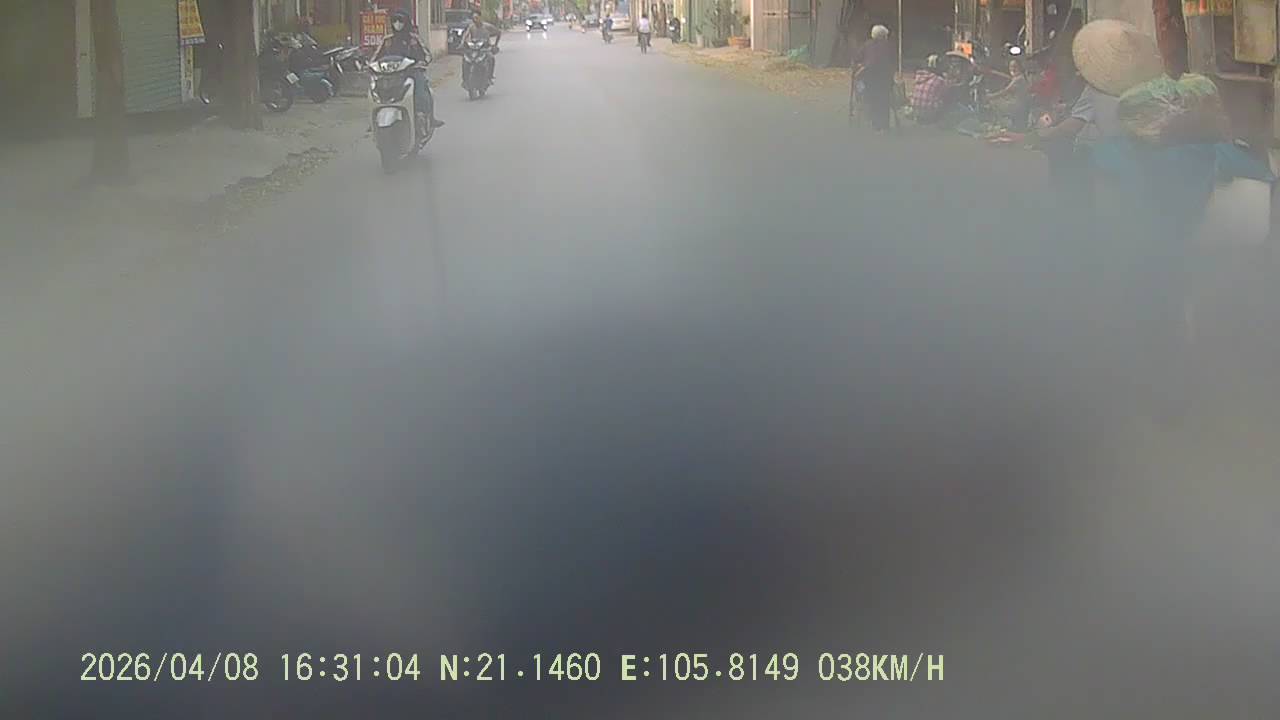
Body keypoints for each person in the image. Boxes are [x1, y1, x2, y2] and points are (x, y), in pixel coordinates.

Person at [374, 10, 445, 129]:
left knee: (422, 87)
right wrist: (371, 67)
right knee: (375, 90)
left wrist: (422, 63)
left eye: (400, 21)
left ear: (406, 22)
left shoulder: (414, 39)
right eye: (395, 21)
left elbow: (427, 55)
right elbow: (375, 58)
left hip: (411, 72)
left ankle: (427, 116)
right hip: (389, 75)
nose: (397, 23)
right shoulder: (387, 40)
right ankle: (374, 118)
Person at [853, 25, 896, 133]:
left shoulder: (867, 45)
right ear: (883, 36)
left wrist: (860, 66)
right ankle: (884, 126)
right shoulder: (889, 46)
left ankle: (875, 124)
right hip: (884, 79)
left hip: (869, 79)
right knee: (884, 101)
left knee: (871, 98)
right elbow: (893, 61)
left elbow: (857, 58)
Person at [988, 58, 1032, 130]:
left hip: (1018, 105)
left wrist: (991, 96)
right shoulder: (1019, 77)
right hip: (1019, 104)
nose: (1012, 69)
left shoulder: (1019, 79)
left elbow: (1005, 91)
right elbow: (1007, 76)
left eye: (1015, 66)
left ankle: (1001, 124)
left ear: (1020, 67)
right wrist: (992, 72)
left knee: (993, 102)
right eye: (1011, 66)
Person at [461, 9, 502, 81]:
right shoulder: (471, 27)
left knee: (491, 58)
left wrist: (495, 44)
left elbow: (498, 33)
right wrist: (462, 43)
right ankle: (465, 79)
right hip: (474, 48)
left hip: (485, 48)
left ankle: (490, 77)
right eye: (473, 18)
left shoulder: (487, 26)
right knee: (465, 60)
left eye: (476, 18)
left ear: (480, 18)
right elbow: (466, 35)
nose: (475, 20)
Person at [910, 54, 948, 125]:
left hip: (916, 111)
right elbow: (946, 94)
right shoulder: (939, 80)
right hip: (930, 113)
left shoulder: (919, 76)